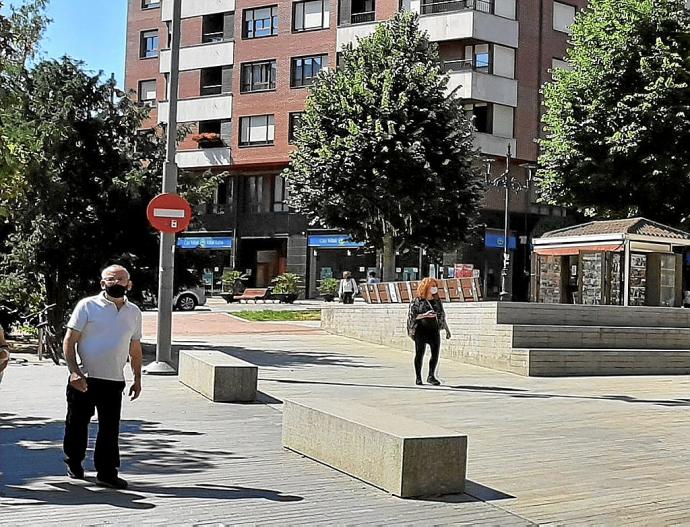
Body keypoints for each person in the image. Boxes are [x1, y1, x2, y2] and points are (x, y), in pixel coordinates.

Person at [62, 264, 143, 489]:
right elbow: (69, 340)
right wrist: (74, 372)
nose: (115, 283)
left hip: (114, 379)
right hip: (85, 378)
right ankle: (74, 462)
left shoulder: (134, 312)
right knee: (77, 424)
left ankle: (107, 473)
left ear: (129, 284)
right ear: (102, 283)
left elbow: (134, 347)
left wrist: (137, 378)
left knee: (110, 429)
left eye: (120, 280)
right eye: (110, 279)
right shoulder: (87, 306)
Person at [406, 277, 451, 386]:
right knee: (419, 353)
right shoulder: (417, 301)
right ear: (426, 288)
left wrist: (446, 329)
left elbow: (441, 315)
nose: (434, 289)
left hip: (434, 330)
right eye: (432, 286)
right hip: (421, 330)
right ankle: (418, 377)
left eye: (435, 286)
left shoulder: (437, 301)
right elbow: (412, 316)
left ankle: (431, 376)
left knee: (435, 354)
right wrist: (424, 315)